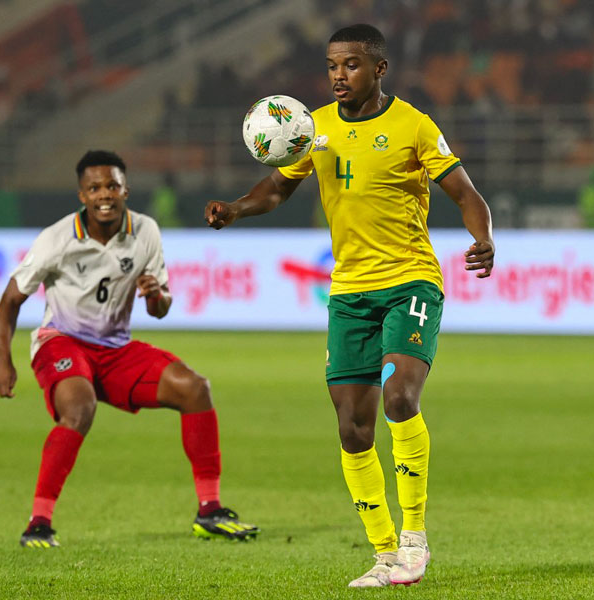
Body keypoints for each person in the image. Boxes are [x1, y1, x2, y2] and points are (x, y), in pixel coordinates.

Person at [205, 24, 494, 588]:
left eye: (353, 65)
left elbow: (466, 193)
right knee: (353, 429)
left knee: (399, 395)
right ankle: (385, 554)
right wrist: (237, 209)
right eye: (334, 65)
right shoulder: (312, 130)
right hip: (349, 294)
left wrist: (481, 239)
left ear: (379, 69)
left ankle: (415, 539)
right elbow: (276, 188)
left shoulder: (413, 124)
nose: (340, 75)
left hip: (410, 282)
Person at [0, 150, 258, 548]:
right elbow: (11, 300)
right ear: (81, 195)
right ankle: (39, 522)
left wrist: (155, 295)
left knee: (195, 388)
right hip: (62, 341)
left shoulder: (146, 231)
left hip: (115, 350)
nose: (105, 194)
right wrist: (4, 362)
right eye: (95, 187)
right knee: (80, 409)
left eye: (112, 186)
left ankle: (210, 510)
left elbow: (161, 308)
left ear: (125, 189)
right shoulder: (57, 238)